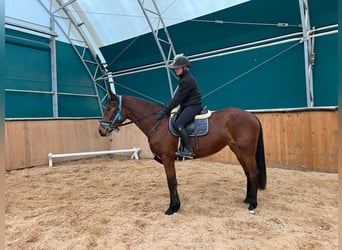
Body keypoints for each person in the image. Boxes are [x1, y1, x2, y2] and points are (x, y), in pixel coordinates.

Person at [155, 54, 202, 159]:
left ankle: (188, 150)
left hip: (193, 106)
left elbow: (178, 99)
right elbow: (176, 97)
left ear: (184, 68)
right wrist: (167, 107)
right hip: (187, 105)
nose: (176, 70)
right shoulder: (183, 78)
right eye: (175, 68)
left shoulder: (186, 80)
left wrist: (165, 111)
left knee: (179, 124)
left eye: (177, 68)